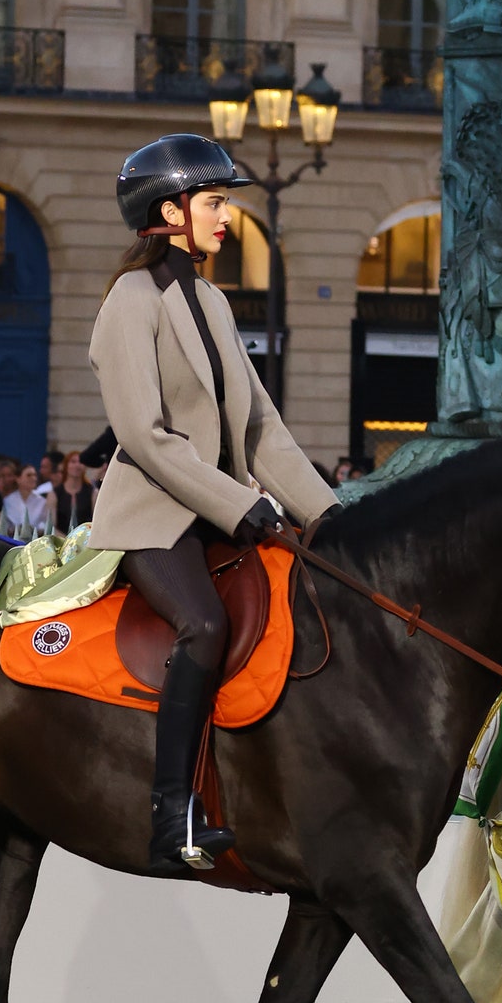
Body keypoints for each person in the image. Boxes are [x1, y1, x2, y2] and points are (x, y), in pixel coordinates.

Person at [91, 134, 338, 871]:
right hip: (153, 517)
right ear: (169, 210)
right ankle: (173, 811)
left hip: (218, 513)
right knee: (203, 625)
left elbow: (260, 425)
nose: (226, 217)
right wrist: (241, 506)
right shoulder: (130, 301)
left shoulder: (213, 301)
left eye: (223, 203)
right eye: (215, 202)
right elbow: (145, 434)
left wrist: (328, 515)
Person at [53, 450, 95, 532]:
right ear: (66, 465)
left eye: (80, 462)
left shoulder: (93, 492)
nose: (77, 465)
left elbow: (96, 521)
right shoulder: (54, 493)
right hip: (61, 540)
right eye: (73, 462)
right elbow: (52, 525)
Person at [3, 463, 49, 529]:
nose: (33, 478)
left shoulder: (42, 502)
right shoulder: (8, 501)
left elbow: (46, 526)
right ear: (18, 479)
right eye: (29, 475)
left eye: (35, 475)